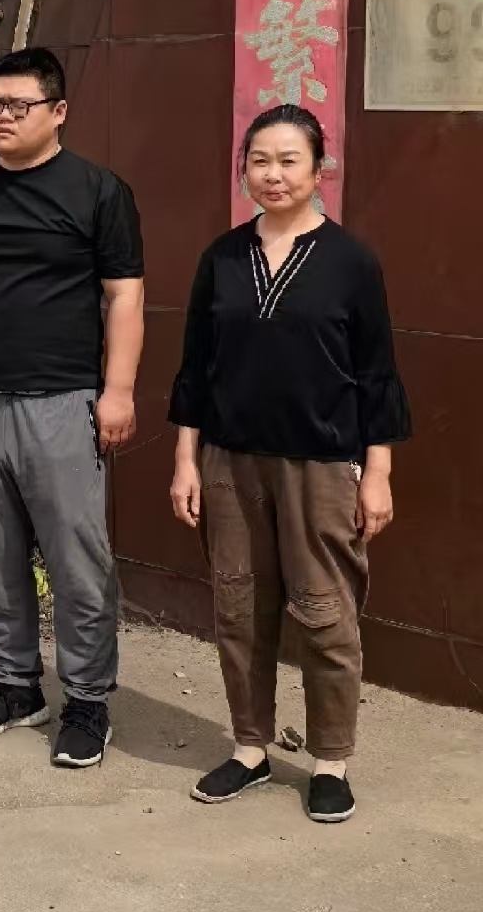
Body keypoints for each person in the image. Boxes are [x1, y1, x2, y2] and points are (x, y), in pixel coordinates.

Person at [168, 104, 411, 824]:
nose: (272, 175)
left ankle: (330, 761)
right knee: (239, 610)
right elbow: (195, 370)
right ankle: (249, 749)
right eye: (259, 161)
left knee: (325, 614)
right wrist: (185, 461)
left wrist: (378, 472)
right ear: (243, 168)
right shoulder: (220, 258)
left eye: (288, 161)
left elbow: (376, 375)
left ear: (317, 169)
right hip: (230, 460)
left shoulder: (350, 261)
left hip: (322, 463)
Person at [0, 47, 145, 767]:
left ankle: (86, 700)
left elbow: (124, 296)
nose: (2, 118)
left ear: (58, 112)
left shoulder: (97, 191)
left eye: (19, 106)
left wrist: (117, 390)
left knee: (78, 560)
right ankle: (16, 684)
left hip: (63, 400)